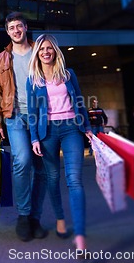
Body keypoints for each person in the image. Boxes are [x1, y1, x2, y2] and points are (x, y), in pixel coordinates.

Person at [26, 34, 93, 254]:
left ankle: (81, 237)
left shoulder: (68, 74)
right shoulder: (33, 79)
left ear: (55, 50)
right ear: (37, 53)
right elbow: (33, 112)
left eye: (49, 48)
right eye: (42, 49)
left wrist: (88, 128)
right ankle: (60, 217)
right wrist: (34, 138)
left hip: (71, 128)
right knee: (53, 178)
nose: (46, 52)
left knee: (74, 180)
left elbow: (80, 100)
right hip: (48, 133)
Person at [0, 12, 46, 242]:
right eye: (11, 27)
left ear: (25, 27)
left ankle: (35, 218)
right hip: (14, 116)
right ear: (7, 31)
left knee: (42, 168)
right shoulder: (1, 59)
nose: (16, 30)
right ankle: (23, 215)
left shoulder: (40, 52)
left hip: (41, 116)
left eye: (19, 26)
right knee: (22, 160)